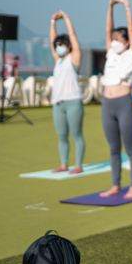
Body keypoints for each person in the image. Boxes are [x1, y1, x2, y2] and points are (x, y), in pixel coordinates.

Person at [99, 0, 132, 199]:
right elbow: (108, 29)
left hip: (124, 103)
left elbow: (131, 30)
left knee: (130, 147)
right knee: (113, 148)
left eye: (118, 39)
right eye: (113, 39)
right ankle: (115, 185)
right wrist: (109, 7)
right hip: (107, 104)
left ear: (127, 42)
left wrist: (126, 7)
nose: (114, 42)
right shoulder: (111, 54)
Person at [50, 10, 85, 175]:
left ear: (69, 46)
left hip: (73, 102)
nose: (58, 47)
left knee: (76, 134)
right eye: (57, 46)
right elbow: (52, 40)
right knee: (62, 136)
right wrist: (52, 22)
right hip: (58, 103)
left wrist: (66, 18)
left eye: (61, 45)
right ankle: (64, 164)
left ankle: (78, 165)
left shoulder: (74, 57)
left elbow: (73, 35)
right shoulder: (58, 61)